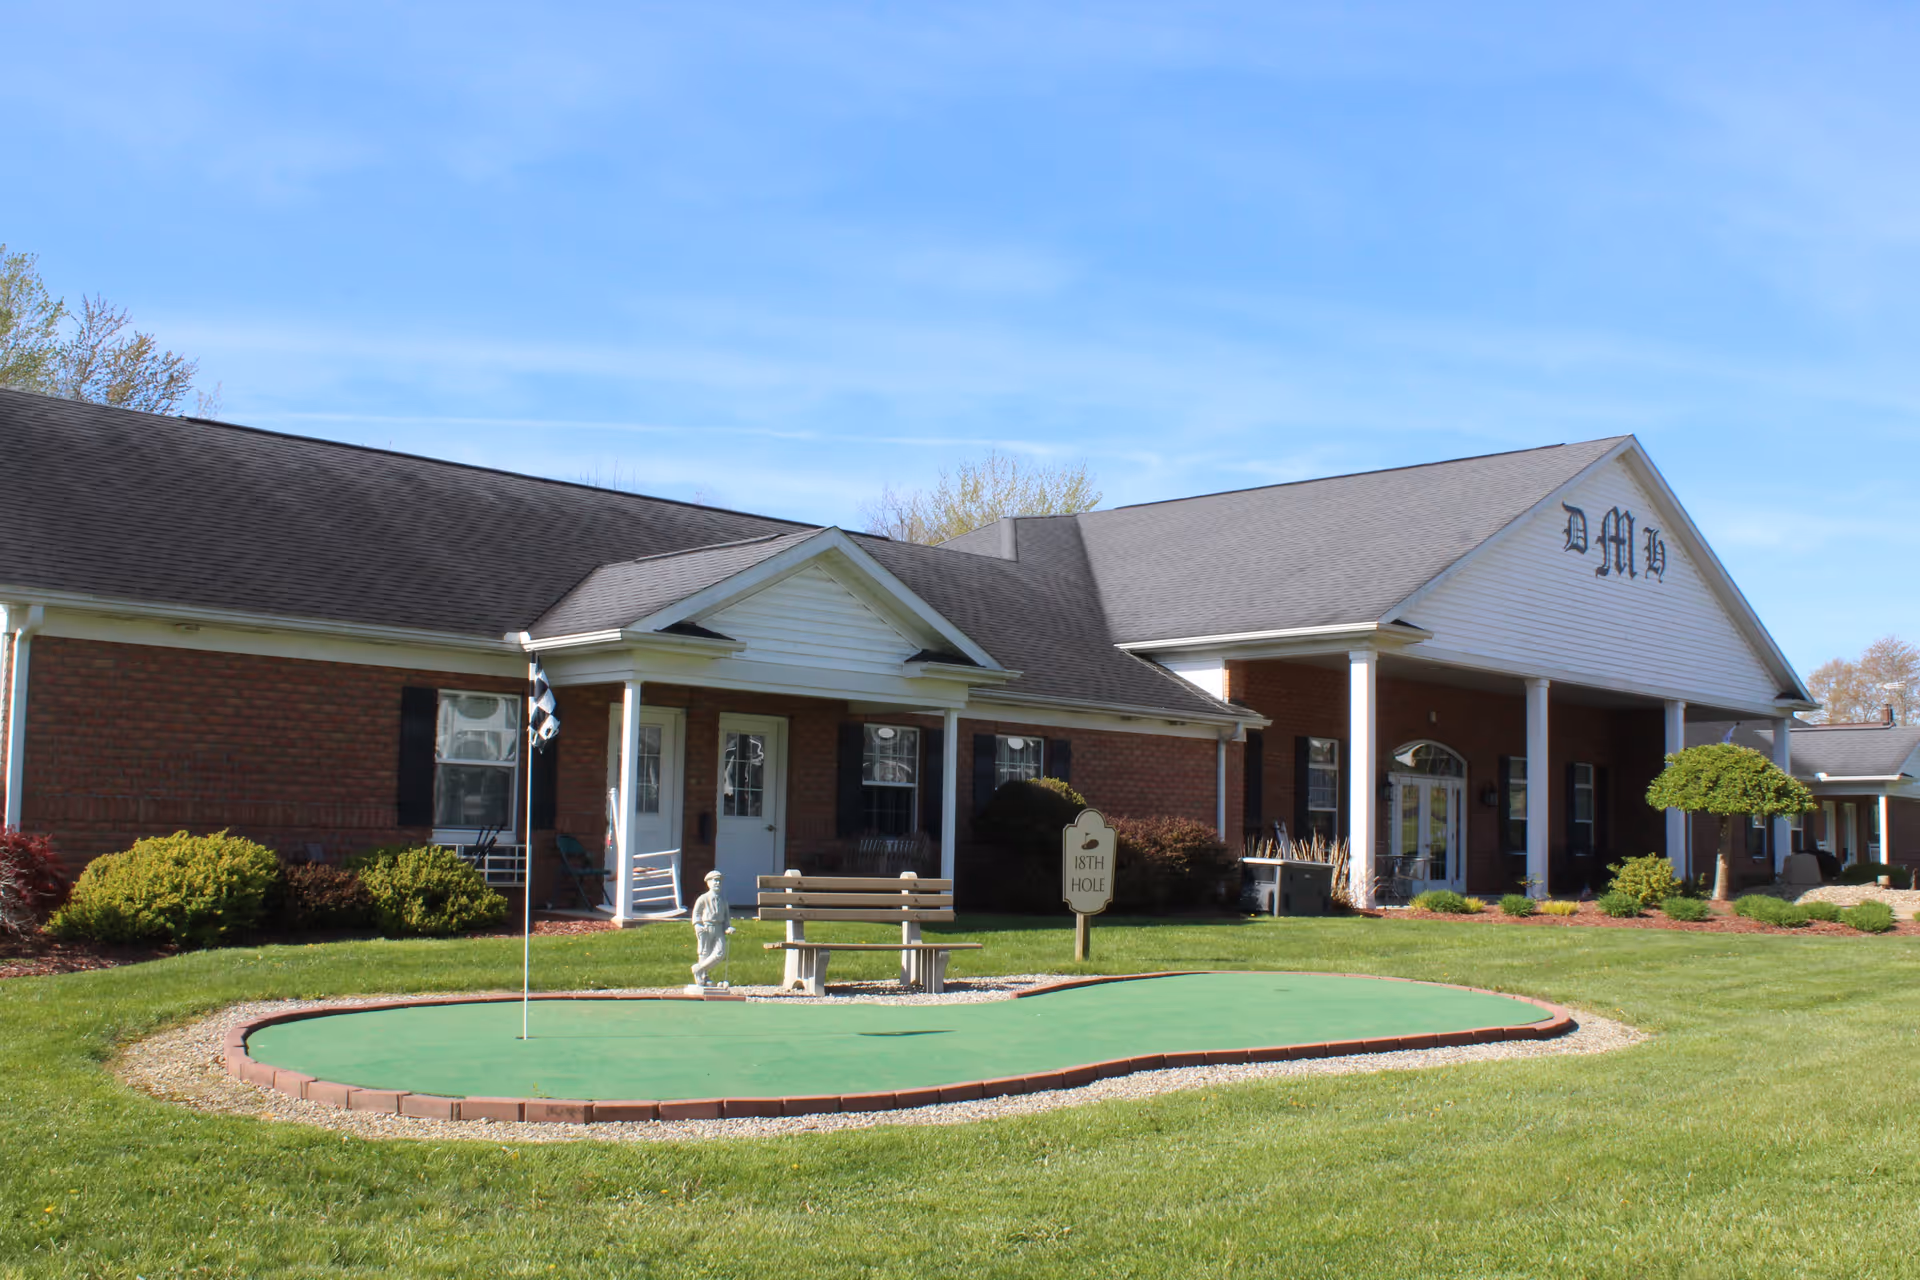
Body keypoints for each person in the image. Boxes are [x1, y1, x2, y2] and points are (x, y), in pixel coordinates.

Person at [689, 870, 734, 988]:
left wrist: (728, 927)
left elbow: (726, 917)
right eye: (714, 880)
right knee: (705, 952)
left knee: (720, 952)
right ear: (708, 883)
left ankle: (698, 969)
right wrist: (698, 925)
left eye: (719, 881)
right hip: (706, 927)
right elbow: (696, 914)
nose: (717, 883)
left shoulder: (723, 901)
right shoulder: (703, 898)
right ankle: (703, 977)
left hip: (719, 928)